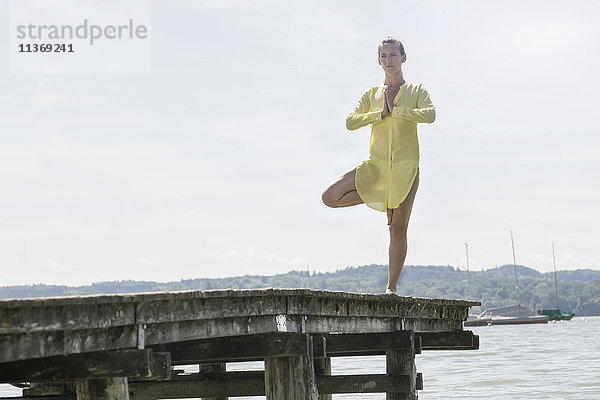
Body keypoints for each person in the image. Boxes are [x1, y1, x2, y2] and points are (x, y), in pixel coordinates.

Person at [321, 37, 436, 294]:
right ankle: (381, 198)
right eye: (384, 56)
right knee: (330, 196)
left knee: (398, 228)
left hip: (405, 171)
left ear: (403, 58)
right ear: (378, 61)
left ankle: (391, 288)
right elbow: (351, 122)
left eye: (393, 55)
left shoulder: (416, 91)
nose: (389, 61)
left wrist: (397, 110)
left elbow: (430, 114)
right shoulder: (371, 95)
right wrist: (380, 114)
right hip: (376, 168)